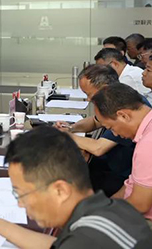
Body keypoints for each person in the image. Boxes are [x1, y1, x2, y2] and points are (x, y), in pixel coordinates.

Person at [0, 126, 152, 248]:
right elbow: (53, 245)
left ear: (60, 190)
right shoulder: (107, 211)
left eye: (22, 194)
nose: (20, 204)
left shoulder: (89, 240)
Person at [92, 83, 152, 235]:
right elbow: (133, 183)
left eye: (111, 128)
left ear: (123, 116)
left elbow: (141, 204)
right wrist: (109, 204)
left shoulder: (151, 143)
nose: (115, 134)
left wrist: (103, 215)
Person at [54, 65, 135, 197]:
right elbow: (95, 121)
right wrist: (71, 128)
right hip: (107, 164)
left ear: (104, 88)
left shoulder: (125, 106)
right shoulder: (113, 100)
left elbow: (98, 148)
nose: (88, 99)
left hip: (118, 175)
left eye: (89, 94)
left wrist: (66, 136)